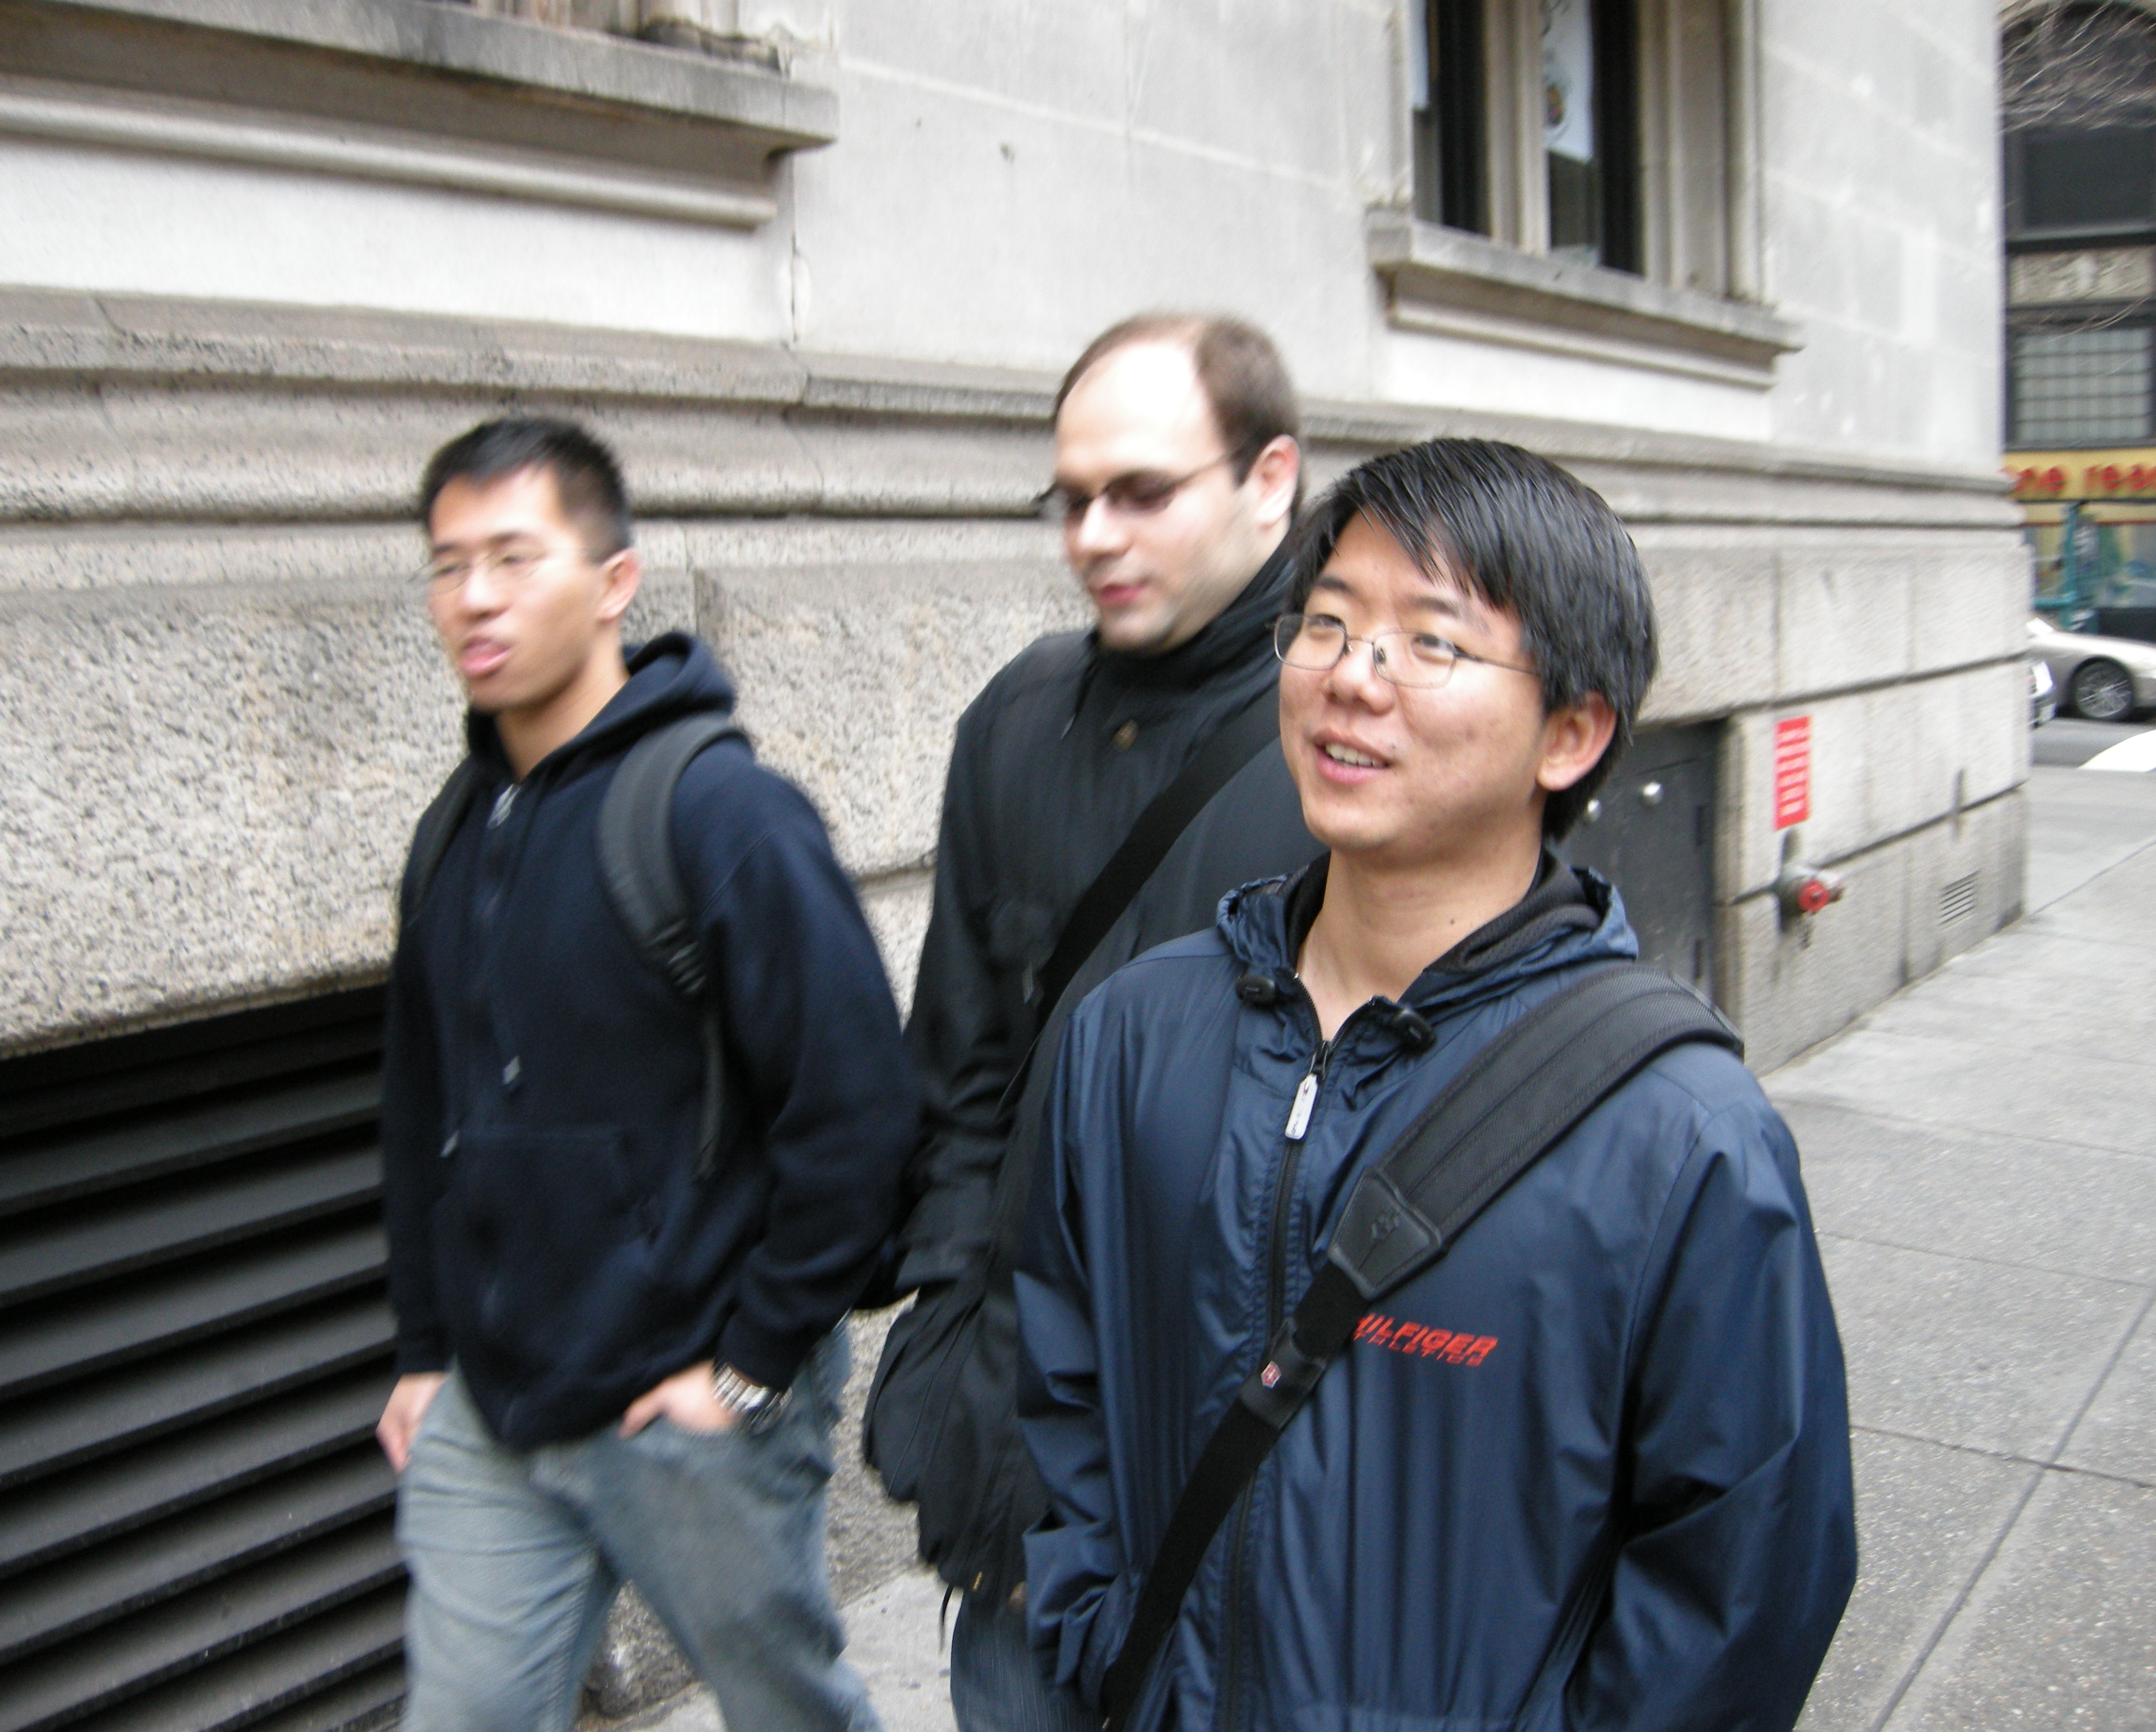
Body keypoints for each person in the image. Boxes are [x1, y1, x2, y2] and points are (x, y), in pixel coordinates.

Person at [1018, 439, 1856, 1731]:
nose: (1352, 678)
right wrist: (1094, 1632)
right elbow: (1063, 1386)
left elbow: (1743, 1581)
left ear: (1571, 734)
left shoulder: (1680, 1137)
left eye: (1432, 643)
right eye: (1327, 623)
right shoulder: (1131, 1035)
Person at [376, 416, 916, 1732]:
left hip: (687, 1404)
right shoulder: (453, 831)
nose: (475, 597)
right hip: (496, 1411)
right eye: (448, 565)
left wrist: (750, 1363)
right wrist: (426, 1350)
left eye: (514, 557)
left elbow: (858, 1113)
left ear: (615, 582)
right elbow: (422, 1106)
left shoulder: (723, 813)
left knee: (790, 1716)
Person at [864, 315, 1326, 1732]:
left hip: (1270, 1511)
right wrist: (953, 1342)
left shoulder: (1357, 736)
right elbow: (960, 1074)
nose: (1092, 536)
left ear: (1268, 480)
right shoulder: (1015, 722)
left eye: (1140, 492)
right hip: (1028, 1497)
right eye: (1068, 499)